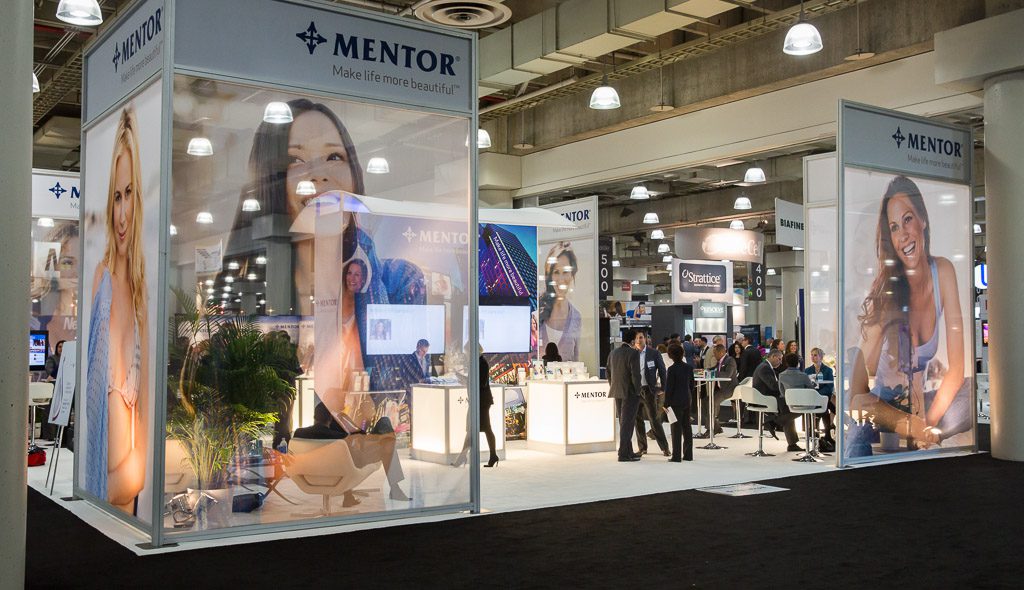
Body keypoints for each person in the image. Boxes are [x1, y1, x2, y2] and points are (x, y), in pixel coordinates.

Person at [850, 175, 970, 449]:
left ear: (922, 220)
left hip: (920, 407)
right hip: (886, 408)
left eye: (907, 219)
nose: (902, 234)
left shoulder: (944, 271)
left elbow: (956, 370)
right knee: (860, 420)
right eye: (893, 227)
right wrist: (909, 425)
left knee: (970, 392)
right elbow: (857, 392)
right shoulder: (887, 294)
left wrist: (927, 424)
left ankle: (925, 433)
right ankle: (895, 433)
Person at [84, 107, 149, 514]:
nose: (122, 213)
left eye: (130, 194)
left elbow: (142, 457)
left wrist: (123, 481)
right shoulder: (102, 280)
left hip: (129, 505)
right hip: (107, 501)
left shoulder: (142, 292)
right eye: (116, 196)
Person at [293, 403, 410, 502]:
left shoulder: (299, 433)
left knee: (385, 441)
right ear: (330, 418)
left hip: (318, 471)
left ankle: (348, 497)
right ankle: (395, 488)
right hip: (353, 461)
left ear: (315, 416)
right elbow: (360, 438)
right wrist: (345, 422)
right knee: (385, 427)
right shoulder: (341, 437)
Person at [453, 352, 500, 468]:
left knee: (478, 429)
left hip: (481, 402)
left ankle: (463, 457)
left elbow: (481, 383)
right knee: (474, 429)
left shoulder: (482, 363)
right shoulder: (477, 362)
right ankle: (491, 456)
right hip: (478, 401)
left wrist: (464, 380)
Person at [538, 241, 581, 361]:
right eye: (556, 272)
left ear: (572, 275)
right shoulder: (537, 308)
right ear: (550, 275)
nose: (561, 279)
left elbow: (576, 359)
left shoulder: (576, 316)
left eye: (566, 272)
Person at [752, 349, 801, 451]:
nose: (780, 361)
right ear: (773, 356)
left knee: (788, 410)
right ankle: (775, 422)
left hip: (767, 397)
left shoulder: (766, 367)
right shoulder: (764, 368)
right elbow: (773, 386)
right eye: (779, 359)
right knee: (793, 408)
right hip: (765, 399)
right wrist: (787, 387)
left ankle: (790, 442)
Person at [607, 328, 643, 462]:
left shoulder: (613, 352)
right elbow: (636, 374)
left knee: (624, 422)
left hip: (617, 391)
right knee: (627, 423)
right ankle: (623, 454)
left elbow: (608, 372)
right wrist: (638, 390)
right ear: (633, 340)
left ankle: (628, 451)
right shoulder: (633, 353)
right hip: (630, 392)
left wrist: (613, 385)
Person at [634, 332, 669, 457]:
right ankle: (642, 448)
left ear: (646, 339)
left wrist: (663, 387)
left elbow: (662, 370)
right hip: (635, 391)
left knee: (654, 419)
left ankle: (665, 447)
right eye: (637, 338)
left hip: (649, 390)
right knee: (637, 420)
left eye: (641, 337)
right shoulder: (632, 353)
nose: (639, 340)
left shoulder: (653, 353)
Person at [778, 352, 819, 450]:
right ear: (798, 363)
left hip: (789, 404)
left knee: (787, 413)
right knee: (822, 406)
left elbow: (782, 392)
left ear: (786, 363)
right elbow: (811, 390)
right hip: (804, 404)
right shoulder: (803, 375)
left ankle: (791, 444)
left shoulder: (781, 375)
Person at [663, 343, 694, 462]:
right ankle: (688, 455)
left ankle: (676, 456)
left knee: (676, 429)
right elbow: (691, 385)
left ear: (670, 356)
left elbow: (669, 388)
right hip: (686, 400)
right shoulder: (688, 368)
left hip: (675, 402)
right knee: (687, 427)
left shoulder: (671, 369)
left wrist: (666, 403)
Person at [805, 347, 836, 451]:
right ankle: (825, 434)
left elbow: (829, 387)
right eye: (812, 355)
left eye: (815, 355)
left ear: (821, 357)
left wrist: (818, 395)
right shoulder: (807, 370)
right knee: (825, 410)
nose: (813, 357)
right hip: (812, 398)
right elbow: (806, 385)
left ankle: (822, 434)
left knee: (825, 407)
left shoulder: (828, 370)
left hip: (823, 397)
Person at [707, 343, 737, 434]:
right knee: (706, 402)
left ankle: (711, 429)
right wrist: (705, 371)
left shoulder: (730, 360)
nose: (714, 355)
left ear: (721, 352)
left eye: (715, 353)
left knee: (712, 402)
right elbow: (714, 369)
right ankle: (716, 427)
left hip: (730, 389)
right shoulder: (720, 362)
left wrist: (711, 374)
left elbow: (728, 374)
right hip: (721, 389)